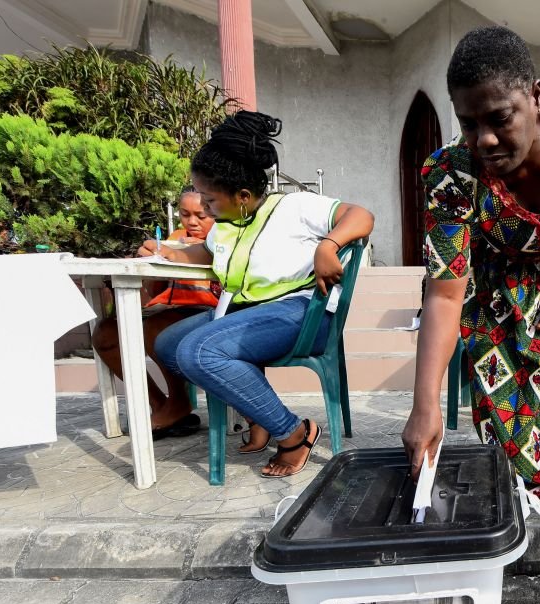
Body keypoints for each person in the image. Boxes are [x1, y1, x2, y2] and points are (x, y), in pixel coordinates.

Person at [401, 27, 540, 519]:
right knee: (510, 415)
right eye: (467, 123)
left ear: (535, 94)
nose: (483, 139)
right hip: (497, 287)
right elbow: (443, 295)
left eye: (500, 118)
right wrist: (425, 405)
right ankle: (521, 509)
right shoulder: (451, 176)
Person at [142, 111, 374, 478]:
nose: (203, 208)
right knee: (168, 343)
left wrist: (328, 244)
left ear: (244, 196)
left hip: (301, 313)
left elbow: (360, 215)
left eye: (210, 200)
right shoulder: (226, 224)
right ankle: (258, 413)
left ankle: (294, 433)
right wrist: (167, 252)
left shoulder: (295, 208)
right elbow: (206, 252)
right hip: (242, 313)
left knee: (197, 351)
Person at [91, 187, 218, 439]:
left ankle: (178, 401)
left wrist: (200, 252)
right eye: (185, 214)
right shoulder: (175, 238)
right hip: (167, 307)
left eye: (201, 216)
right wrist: (155, 258)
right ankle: (161, 405)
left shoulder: (224, 238)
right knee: (105, 333)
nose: (191, 222)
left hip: (208, 308)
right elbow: (154, 288)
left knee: (159, 328)